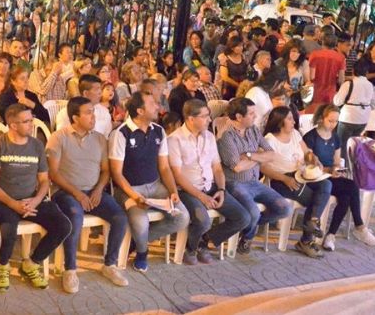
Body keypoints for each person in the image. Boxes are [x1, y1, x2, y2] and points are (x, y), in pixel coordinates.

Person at [47, 96, 129, 292]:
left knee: (120, 217)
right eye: (88, 112)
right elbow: (53, 174)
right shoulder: (59, 137)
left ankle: (109, 265)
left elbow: (106, 171)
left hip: (94, 192)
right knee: (75, 216)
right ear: (75, 117)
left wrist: (99, 190)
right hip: (66, 192)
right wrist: (78, 194)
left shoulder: (100, 139)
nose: (94, 116)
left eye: (93, 112)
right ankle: (70, 269)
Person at [0, 103, 71, 291]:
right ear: (13, 125)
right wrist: (13, 204)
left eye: (31, 120)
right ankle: (3, 265)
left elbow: (43, 181)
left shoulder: (37, 145)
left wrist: (36, 200)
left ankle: (32, 262)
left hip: (32, 198)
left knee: (63, 225)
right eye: (26, 121)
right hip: (4, 200)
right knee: (9, 231)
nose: (31, 124)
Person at [109, 91, 190, 272]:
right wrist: (134, 196)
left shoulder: (158, 131)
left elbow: (164, 168)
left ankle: (138, 242)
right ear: (139, 111)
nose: (158, 107)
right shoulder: (120, 134)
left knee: (182, 217)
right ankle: (142, 252)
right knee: (141, 222)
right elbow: (116, 173)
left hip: (155, 186)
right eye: (152, 104)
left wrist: (172, 192)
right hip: (128, 189)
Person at [168, 99, 250, 264]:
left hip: (211, 186)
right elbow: (177, 175)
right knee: (203, 220)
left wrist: (221, 189)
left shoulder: (209, 137)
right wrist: (201, 197)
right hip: (187, 190)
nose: (209, 120)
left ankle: (204, 242)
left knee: (243, 217)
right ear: (191, 119)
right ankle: (190, 249)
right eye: (205, 116)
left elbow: (217, 168)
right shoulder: (174, 140)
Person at [216, 97, 293, 254]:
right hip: (235, 183)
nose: (255, 116)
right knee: (253, 213)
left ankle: (250, 225)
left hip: (255, 182)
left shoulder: (253, 130)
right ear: (238, 117)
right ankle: (247, 237)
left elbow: (271, 154)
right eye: (251, 114)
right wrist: (259, 157)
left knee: (284, 208)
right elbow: (237, 167)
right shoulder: (226, 136)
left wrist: (250, 155)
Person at [303, 104, 375, 250]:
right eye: (330, 121)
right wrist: (328, 170)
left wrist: (336, 170)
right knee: (351, 186)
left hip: (329, 175)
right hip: (316, 177)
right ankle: (359, 226)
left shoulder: (336, 138)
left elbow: (337, 161)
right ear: (321, 119)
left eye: (336, 121)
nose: (333, 124)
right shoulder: (311, 137)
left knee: (346, 197)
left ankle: (331, 235)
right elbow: (309, 164)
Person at [263, 106, 332, 258]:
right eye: (289, 118)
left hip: (301, 174)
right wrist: (284, 178)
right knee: (314, 199)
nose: (293, 121)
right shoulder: (270, 140)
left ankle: (312, 222)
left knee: (326, 184)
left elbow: (307, 152)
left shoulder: (295, 134)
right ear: (280, 122)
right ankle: (307, 240)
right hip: (281, 179)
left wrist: (313, 158)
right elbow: (263, 168)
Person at [333, 61, 375, 169]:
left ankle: (341, 170)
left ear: (353, 71)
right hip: (363, 120)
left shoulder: (348, 84)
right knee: (354, 144)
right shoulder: (371, 86)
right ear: (366, 72)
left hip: (348, 118)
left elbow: (337, 101)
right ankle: (353, 168)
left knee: (342, 145)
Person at [308, 33, 345, 110]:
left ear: (322, 42)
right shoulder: (340, 58)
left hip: (316, 91)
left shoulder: (314, 55)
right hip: (331, 92)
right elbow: (341, 80)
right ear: (336, 44)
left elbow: (312, 76)